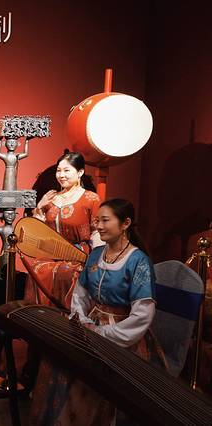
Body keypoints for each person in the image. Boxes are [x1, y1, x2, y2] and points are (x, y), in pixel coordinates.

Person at [29, 199, 166, 426]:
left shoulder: (138, 261)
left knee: (101, 380)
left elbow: (143, 314)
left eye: (105, 220)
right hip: (89, 324)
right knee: (58, 361)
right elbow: (80, 294)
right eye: (97, 221)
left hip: (124, 333)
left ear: (125, 223)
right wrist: (82, 320)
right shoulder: (96, 254)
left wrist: (103, 333)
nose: (99, 226)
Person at [26, 151, 103, 308]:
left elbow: (97, 232)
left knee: (66, 272)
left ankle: (67, 319)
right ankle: (40, 318)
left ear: (80, 172)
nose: (61, 175)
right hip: (52, 252)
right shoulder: (51, 197)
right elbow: (37, 229)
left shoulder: (91, 198)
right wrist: (40, 207)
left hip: (78, 255)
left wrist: (97, 260)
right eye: (58, 170)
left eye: (66, 170)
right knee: (36, 268)